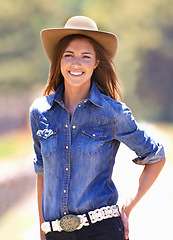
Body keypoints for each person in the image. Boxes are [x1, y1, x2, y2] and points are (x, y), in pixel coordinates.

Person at [30, 16, 165, 240]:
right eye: (68, 55)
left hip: (102, 231)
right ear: (59, 61)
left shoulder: (112, 113)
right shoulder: (40, 112)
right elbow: (41, 172)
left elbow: (156, 157)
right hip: (56, 233)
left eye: (86, 56)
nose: (76, 63)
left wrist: (127, 208)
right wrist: (42, 229)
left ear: (96, 63)